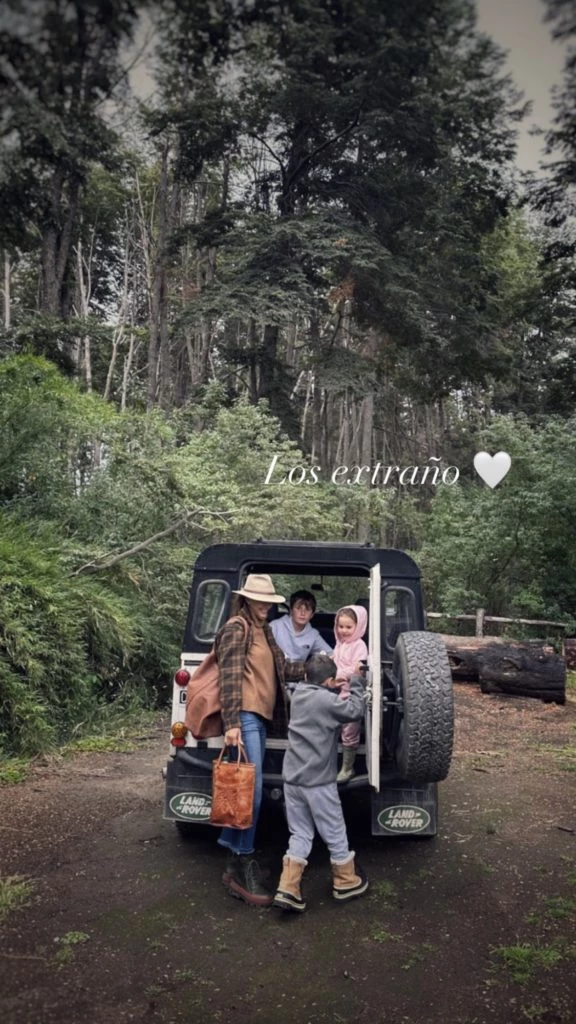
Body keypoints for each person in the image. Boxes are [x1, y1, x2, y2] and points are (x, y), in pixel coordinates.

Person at [216, 573, 304, 907]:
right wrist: (232, 723)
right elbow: (229, 678)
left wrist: (323, 669)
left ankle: (232, 863)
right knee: (249, 794)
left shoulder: (263, 630)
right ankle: (242, 865)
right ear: (247, 600)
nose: (265, 605)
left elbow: (283, 669)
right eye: (260, 600)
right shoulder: (237, 628)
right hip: (245, 717)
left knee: (244, 792)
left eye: (269, 600)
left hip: (261, 718)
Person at [273, 653, 369, 913]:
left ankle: (288, 887)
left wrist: (331, 686)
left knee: (300, 833)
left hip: (292, 780)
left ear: (306, 676)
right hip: (318, 783)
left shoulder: (299, 695)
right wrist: (357, 683)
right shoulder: (328, 701)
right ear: (329, 681)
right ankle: (346, 881)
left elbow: (320, 699)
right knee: (334, 830)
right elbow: (354, 710)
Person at [333, 605, 368, 783]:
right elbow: (336, 662)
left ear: (358, 626)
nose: (344, 631)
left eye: (348, 627)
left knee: (350, 730)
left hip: (351, 695)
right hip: (336, 693)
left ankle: (348, 768)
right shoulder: (339, 644)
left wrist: (338, 673)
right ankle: (329, 764)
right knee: (332, 727)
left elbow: (358, 670)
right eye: (341, 626)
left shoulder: (359, 646)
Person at [270, 589, 333, 662]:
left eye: (307, 609)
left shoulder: (313, 634)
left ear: (312, 615)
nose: (303, 613)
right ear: (291, 611)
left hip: (298, 668)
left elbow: (331, 654)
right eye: (298, 608)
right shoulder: (275, 626)